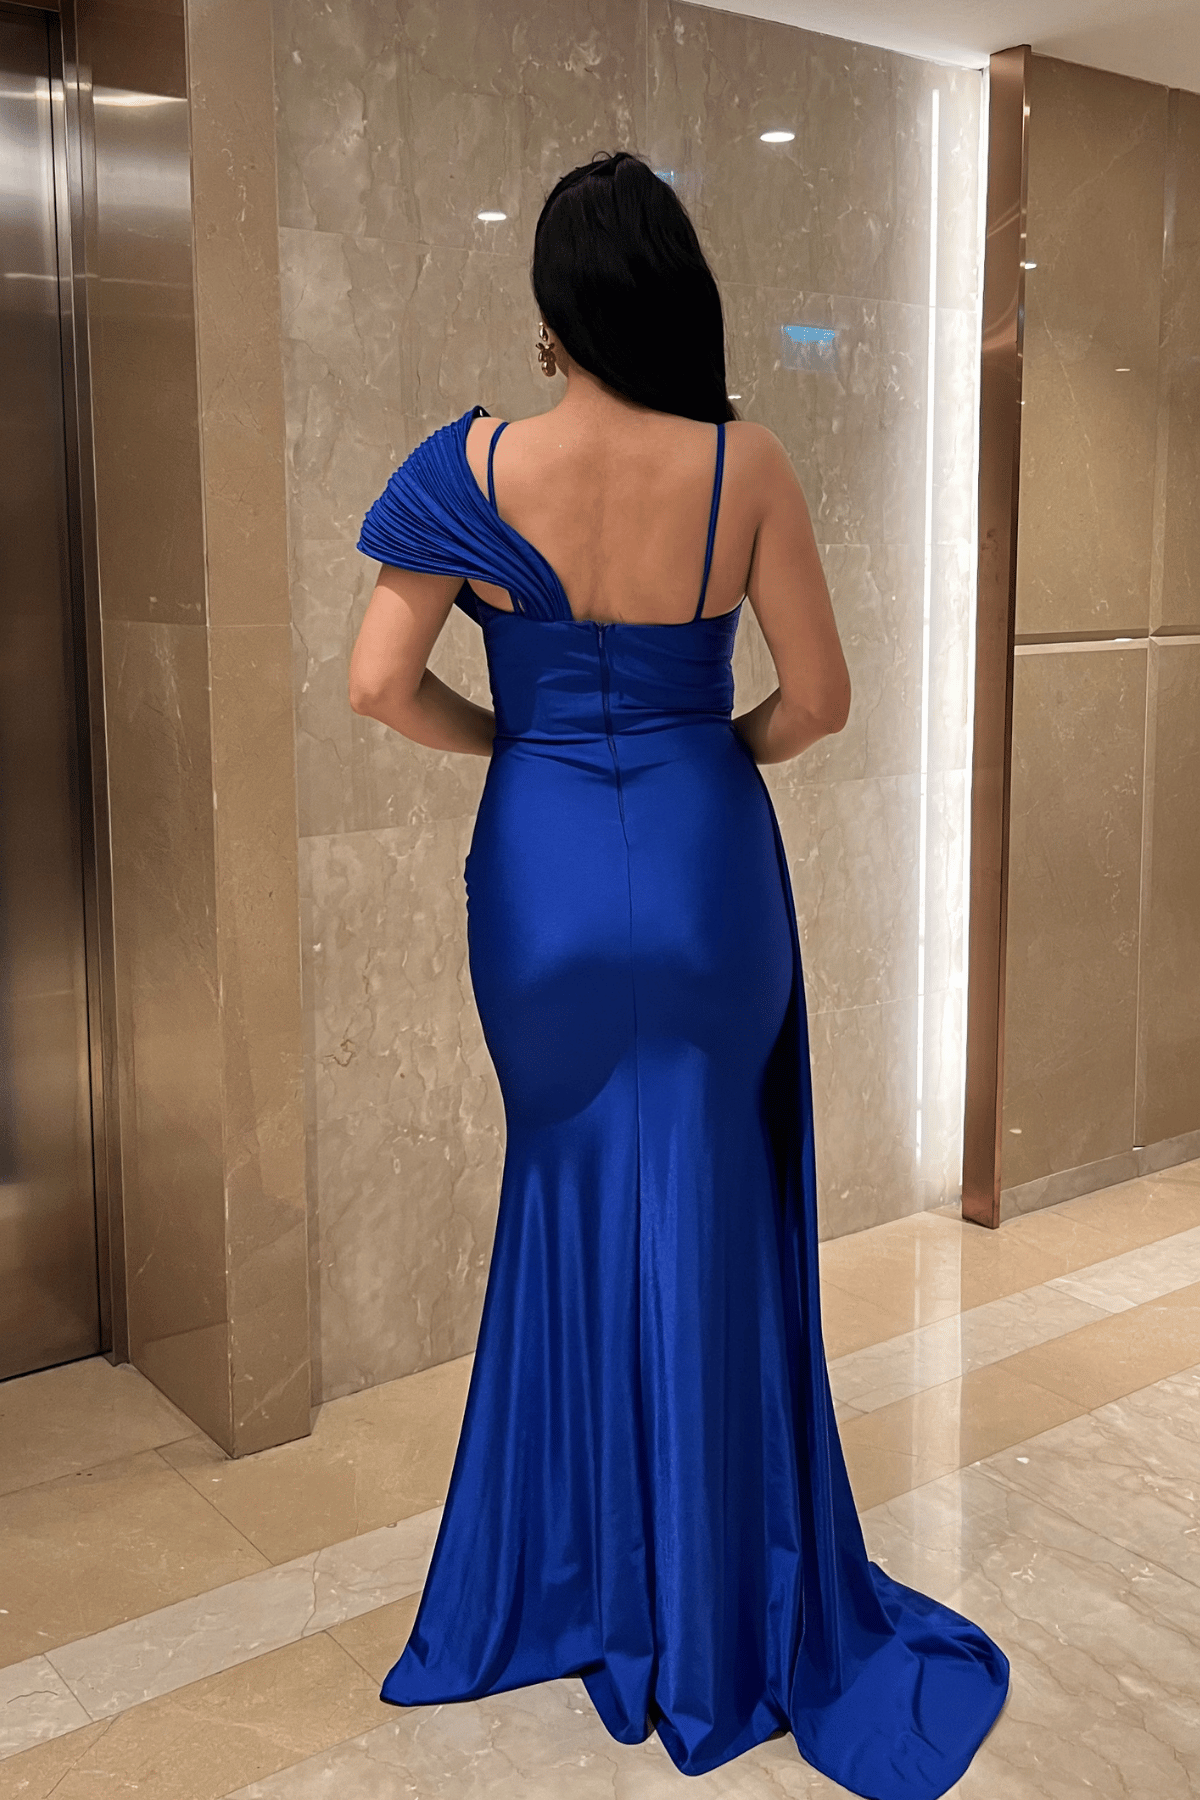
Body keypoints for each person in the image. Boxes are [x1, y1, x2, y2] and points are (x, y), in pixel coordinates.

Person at [348, 150, 1008, 1799]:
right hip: (711, 873)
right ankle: (717, 1602)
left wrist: (521, 744)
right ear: (676, 298)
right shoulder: (745, 463)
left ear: (552, 315)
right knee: (711, 1213)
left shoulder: (465, 467)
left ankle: (577, 1578)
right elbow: (822, 700)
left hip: (545, 874)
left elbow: (376, 684)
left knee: (567, 1196)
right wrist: (702, 752)